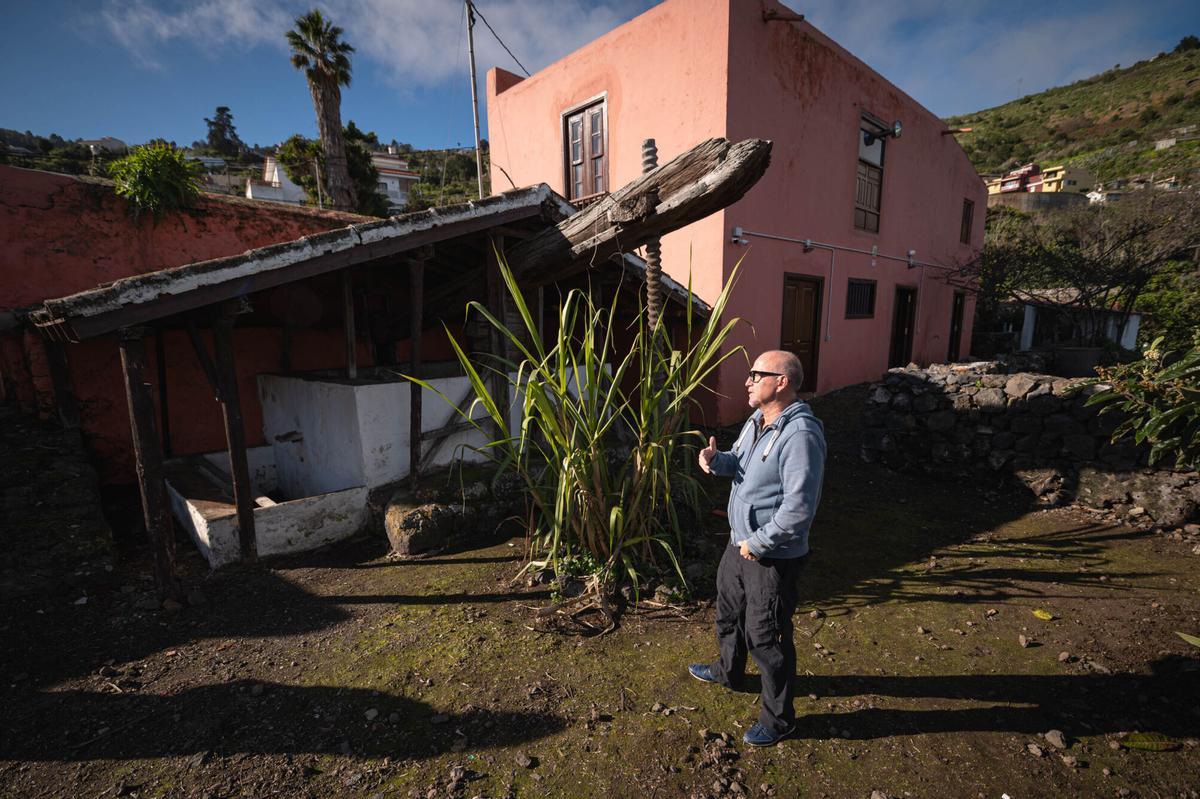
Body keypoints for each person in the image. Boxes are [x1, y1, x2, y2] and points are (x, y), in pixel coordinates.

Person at [689, 350, 826, 747]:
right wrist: (717, 461)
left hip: (772, 555)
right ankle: (728, 672)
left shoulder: (801, 436)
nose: (747, 381)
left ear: (781, 382)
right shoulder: (756, 419)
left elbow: (799, 509)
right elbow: (741, 464)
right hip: (739, 543)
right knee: (728, 612)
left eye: (756, 374)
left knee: (767, 637)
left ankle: (780, 720)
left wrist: (759, 543)